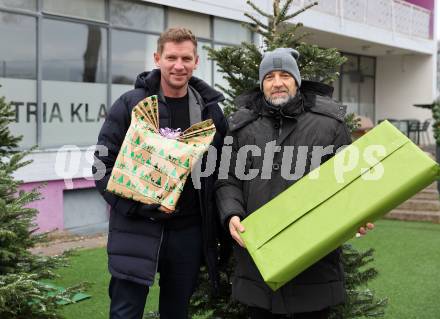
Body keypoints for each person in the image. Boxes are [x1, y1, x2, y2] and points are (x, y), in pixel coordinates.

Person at [215, 48, 374, 319]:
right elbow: (226, 178)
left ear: (297, 80)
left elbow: (350, 182)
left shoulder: (329, 125)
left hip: (313, 263)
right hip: (257, 260)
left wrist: (357, 215)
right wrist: (232, 213)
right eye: (270, 77)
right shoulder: (241, 127)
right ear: (262, 83)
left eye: (285, 75)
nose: (277, 82)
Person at [93, 27, 227, 319]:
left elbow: (221, 173)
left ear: (196, 61)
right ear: (157, 58)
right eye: (171, 57)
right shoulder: (131, 105)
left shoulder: (210, 112)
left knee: (176, 312)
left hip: (187, 232)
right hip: (136, 227)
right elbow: (102, 165)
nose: (178, 65)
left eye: (186, 58)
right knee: (125, 312)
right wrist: (132, 207)